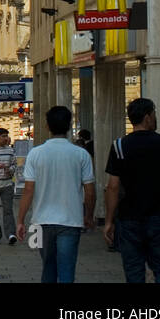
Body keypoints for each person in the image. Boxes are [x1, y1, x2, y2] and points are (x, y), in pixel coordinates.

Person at [103, 98, 160, 283]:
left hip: (129, 219)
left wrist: (109, 221)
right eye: (154, 114)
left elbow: (113, 187)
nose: (155, 118)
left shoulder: (119, 146)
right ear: (148, 117)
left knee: (134, 269)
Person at [16, 106, 95, 283]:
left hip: (42, 222)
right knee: (67, 271)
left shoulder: (35, 154)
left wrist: (20, 220)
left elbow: (28, 190)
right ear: (69, 125)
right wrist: (89, 215)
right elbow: (90, 191)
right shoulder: (81, 154)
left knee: (48, 268)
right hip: (71, 220)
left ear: (47, 126)